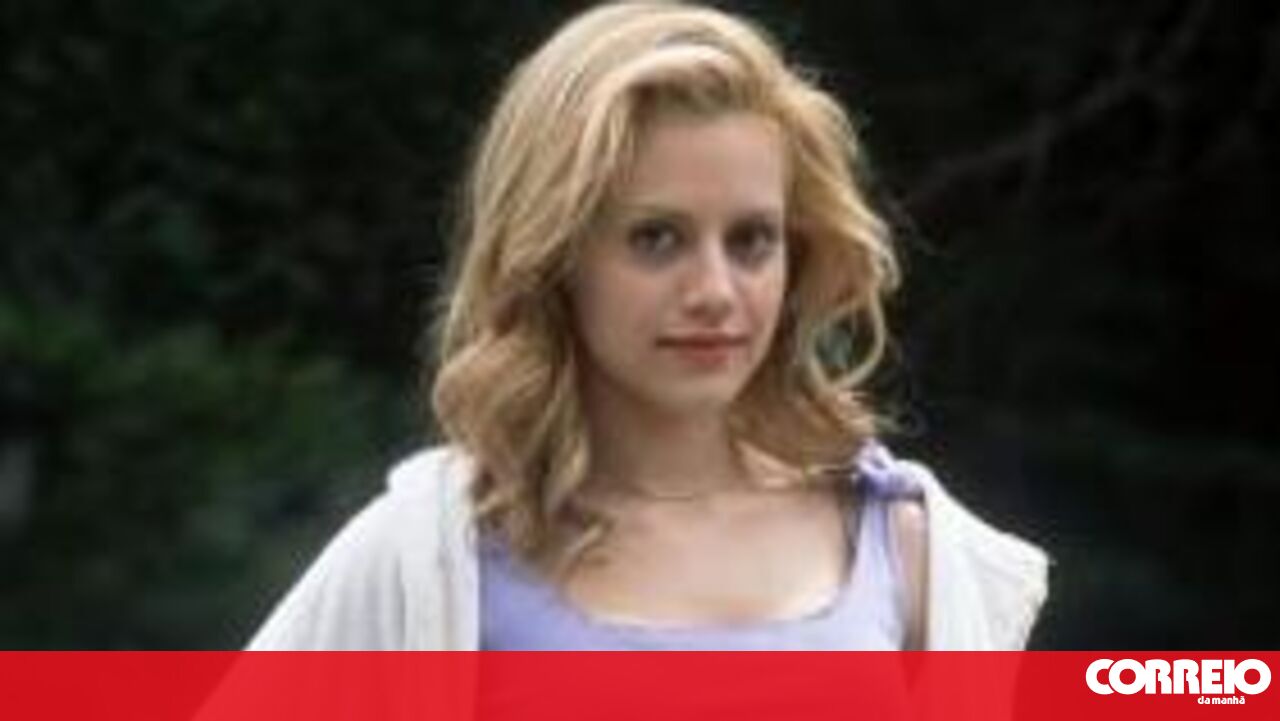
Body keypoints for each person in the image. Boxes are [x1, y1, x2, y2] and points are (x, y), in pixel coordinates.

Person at [247, 0, 1048, 652]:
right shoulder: (428, 556)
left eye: (751, 240)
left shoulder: (906, 550)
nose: (715, 291)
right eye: (656, 238)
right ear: (556, 256)